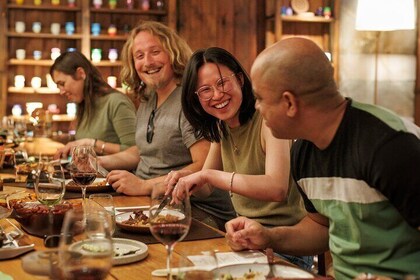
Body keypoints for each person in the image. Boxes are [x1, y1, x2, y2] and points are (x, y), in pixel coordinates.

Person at [225, 37, 420, 279]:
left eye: (261, 98)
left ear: (289, 103)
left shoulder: (390, 146)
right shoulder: (303, 151)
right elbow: (322, 228)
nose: (256, 107)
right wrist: (268, 237)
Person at [167, 47, 311, 269]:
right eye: (205, 90)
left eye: (222, 83)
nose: (216, 95)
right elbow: (206, 187)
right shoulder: (221, 125)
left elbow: (277, 187)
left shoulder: (267, 119)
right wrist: (186, 179)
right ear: (196, 98)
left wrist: (208, 175)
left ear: (240, 79)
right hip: (243, 243)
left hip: (284, 248)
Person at [100, 21, 236, 230]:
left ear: (173, 54)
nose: (148, 62)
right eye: (139, 56)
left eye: (155, 52)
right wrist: (97, 161)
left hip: (199, 212)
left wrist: (143, 185)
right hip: (151, 203)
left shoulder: (189, 100)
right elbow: (143, 151)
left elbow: (203, 166)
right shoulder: (147, 99)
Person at [51, 51, 136, 158]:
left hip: (112, 174)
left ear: (81, 73)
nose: (61, 92)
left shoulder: (116, 102)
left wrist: (92, 144)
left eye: (62, 84)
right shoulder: (85, 105)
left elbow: (136, 152)